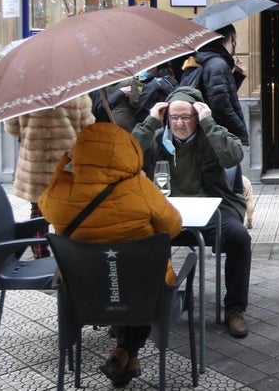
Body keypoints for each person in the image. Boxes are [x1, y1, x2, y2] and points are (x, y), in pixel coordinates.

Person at [39, 122, 183, 387]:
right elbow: (173, 228)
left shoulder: (60, 195)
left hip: (84, 297)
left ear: (79, 152)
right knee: (141, 280)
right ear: (127, 151)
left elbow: (43, 202)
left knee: (117, 280)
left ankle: (125, 355)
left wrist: (63, 163)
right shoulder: (141, 189)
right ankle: (125, 353)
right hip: (145, 297)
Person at [131, 86, 252, 338]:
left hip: (212, 210)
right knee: (135, 236)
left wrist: (209, 123)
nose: (179, 123)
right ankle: (143, 306)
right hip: (167, 212)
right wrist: (151, 121)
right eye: (174, 117)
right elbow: (128, 155)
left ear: (197, 116)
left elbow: (233, 156)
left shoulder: (210, 137)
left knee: (240, 237)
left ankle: (234, 309)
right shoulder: (157, 139)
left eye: (186, 117)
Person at [4, 95, 95, 259]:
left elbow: (13, 130)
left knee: (38, 215)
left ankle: (40, 256)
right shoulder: (75, 93)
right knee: (69, 214)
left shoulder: (22, 96)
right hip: (67, 167)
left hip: (35, 168)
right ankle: (69, 257)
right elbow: (88, 128)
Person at [191, 24, 249, 145]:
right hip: (220, 137)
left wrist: (237, 75)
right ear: (233, 38)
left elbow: (220, 93)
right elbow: (220, 106)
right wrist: (239, 130)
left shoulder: (208, 59)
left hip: (210, 134)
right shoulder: (218, 64)